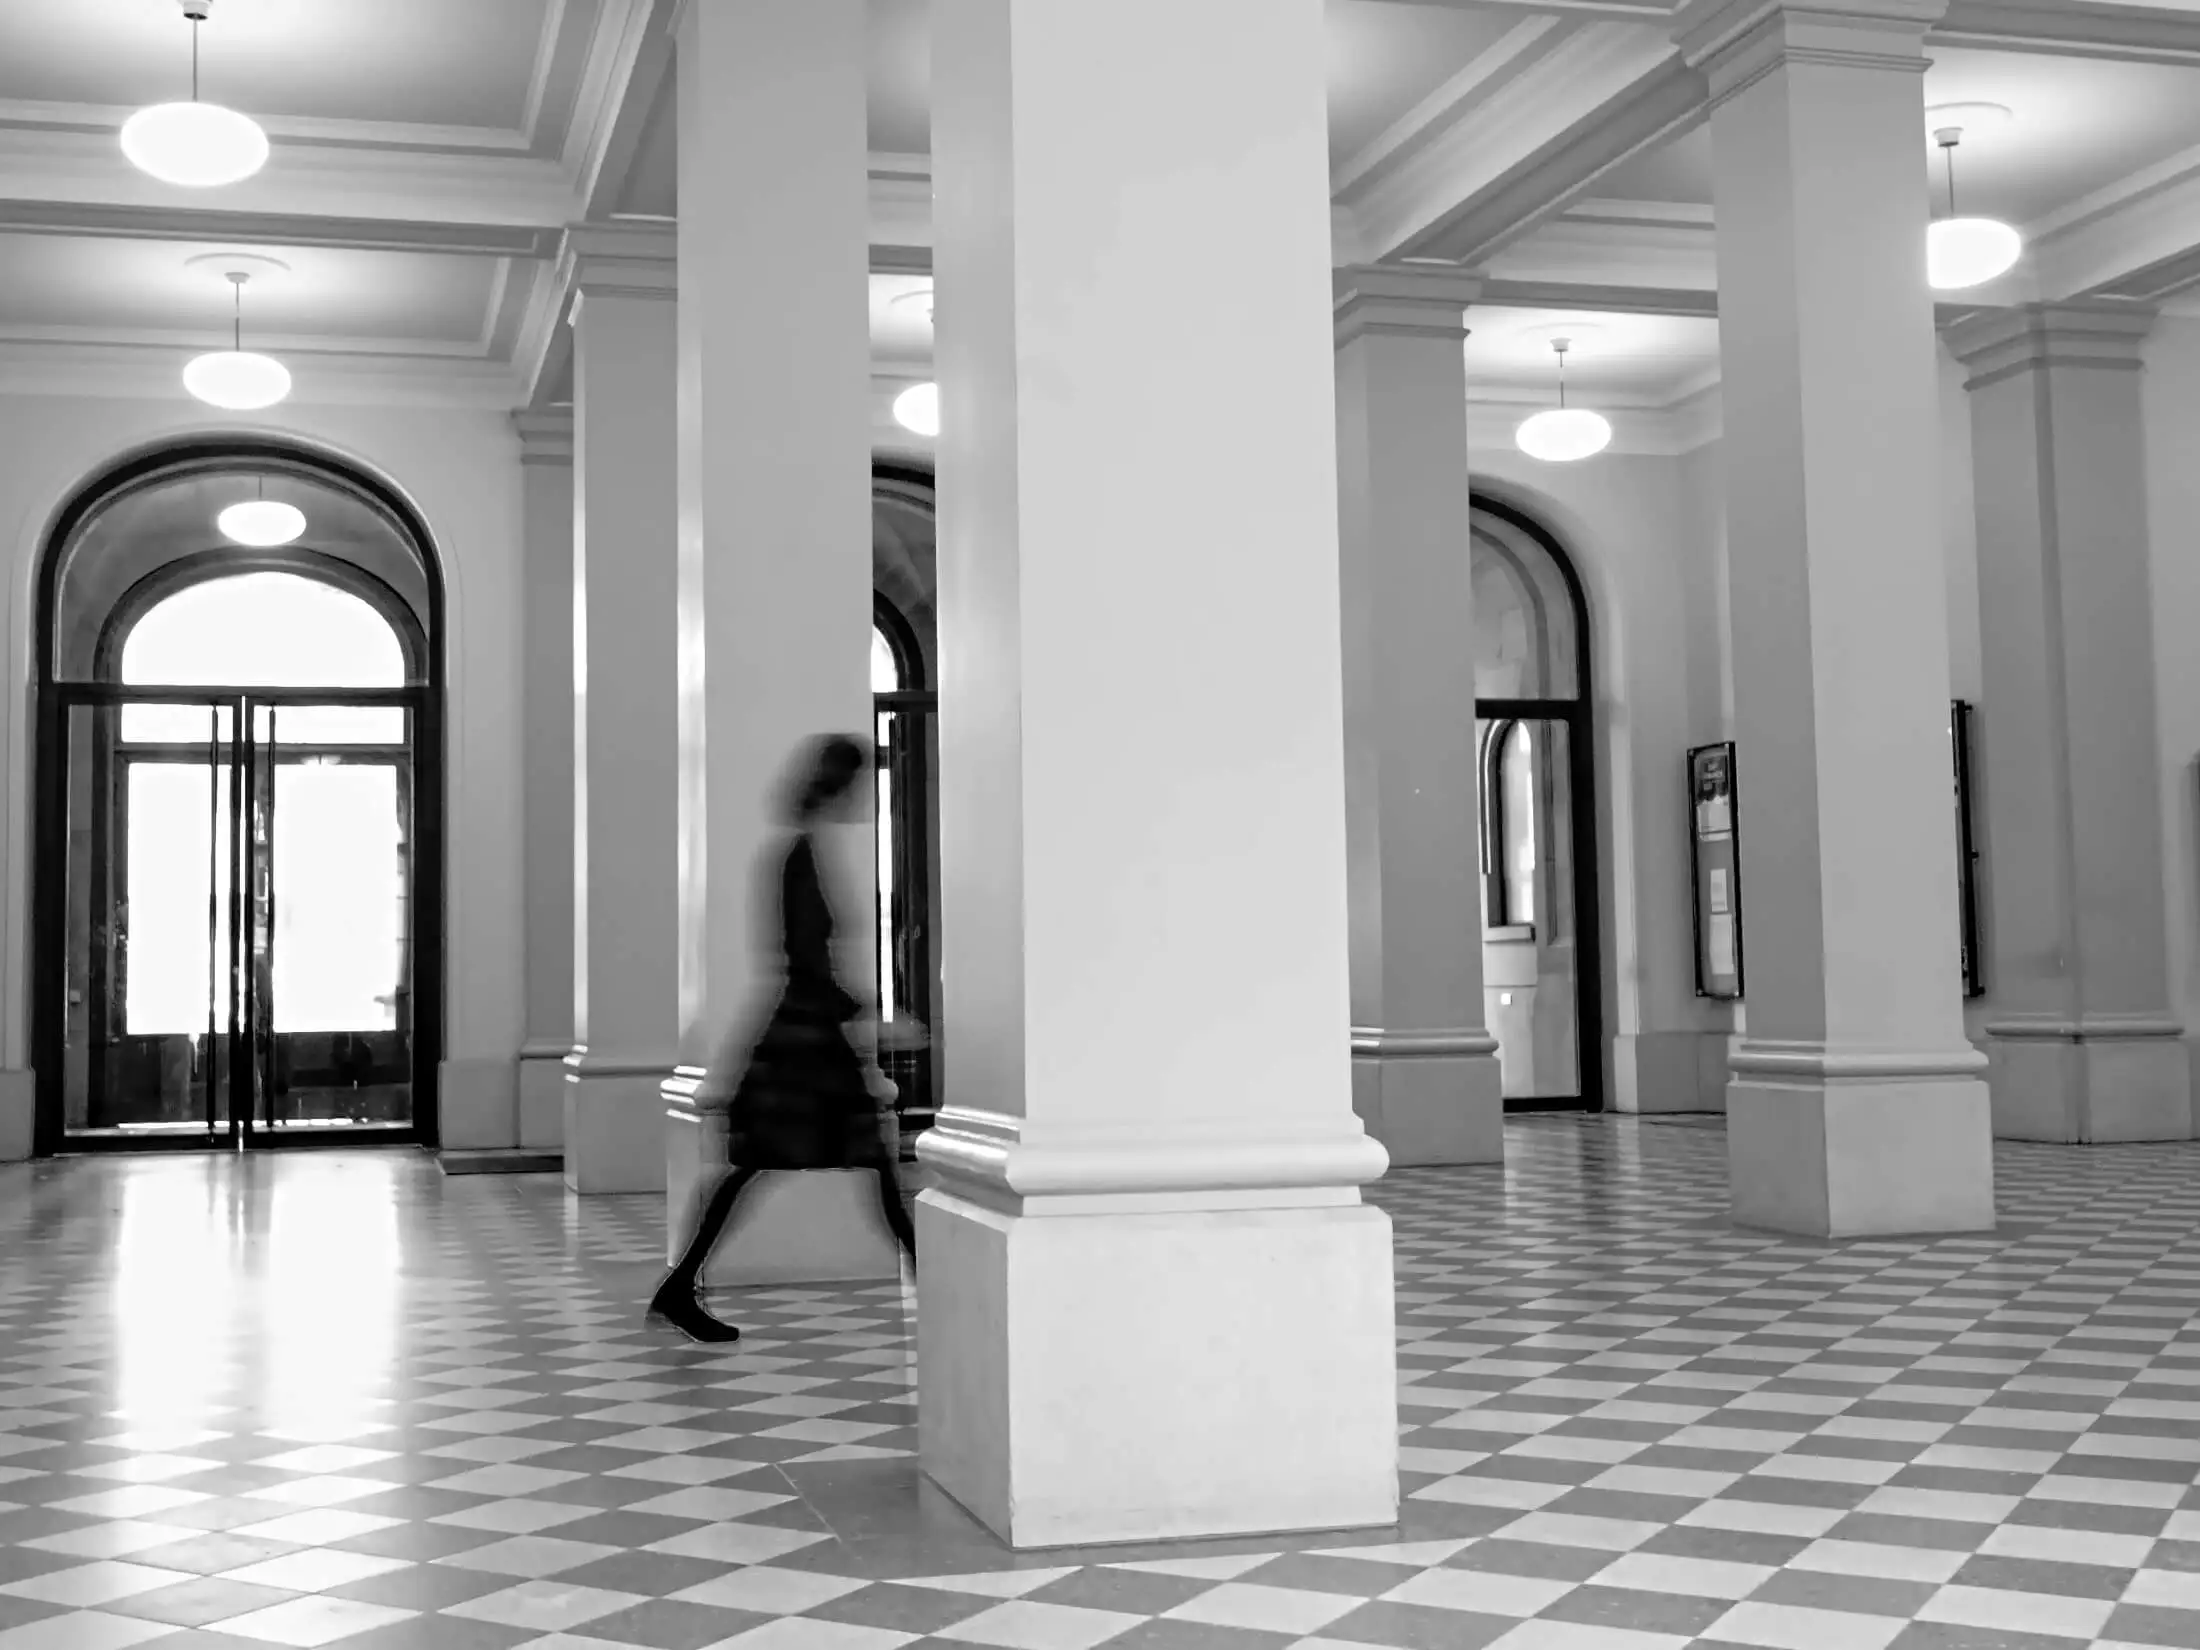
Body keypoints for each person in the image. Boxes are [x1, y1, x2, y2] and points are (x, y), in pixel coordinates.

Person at [648, 733, 919, 1344]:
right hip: (807, 1041)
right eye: (858, 785)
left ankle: (678, 1287)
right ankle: (678, 1286)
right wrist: (868, 1012)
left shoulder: (807, 851)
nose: (864, 797)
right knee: (819, 1165)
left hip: (809, 1035)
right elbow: (805, 958)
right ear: (838, 786)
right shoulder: (800, 856)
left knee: (852, 1166)